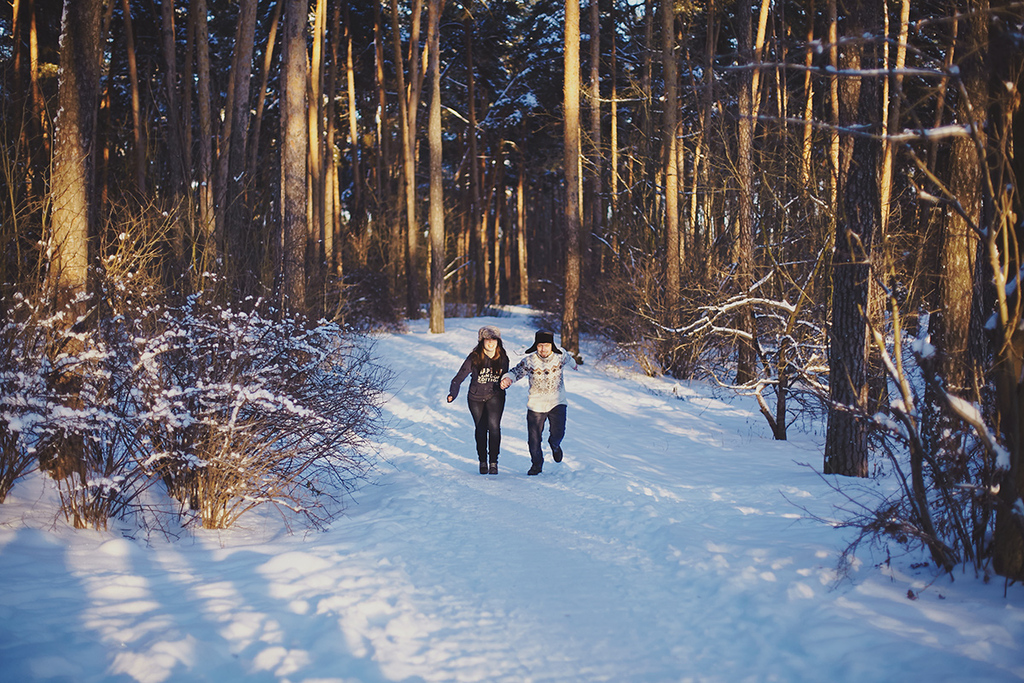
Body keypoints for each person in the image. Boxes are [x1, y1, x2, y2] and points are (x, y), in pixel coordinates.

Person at [499, 330, 578, 475]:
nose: (543, 349)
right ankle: (536, 464)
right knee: (533, 439)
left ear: (551, 345)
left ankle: (555, 445)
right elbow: (516, 372)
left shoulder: (560, 356)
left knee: (558, 433)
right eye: (540, 345)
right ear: (536, 346)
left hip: (557, 402)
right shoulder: (530, 361)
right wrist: (508, 378)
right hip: (536, 405)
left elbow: (570, 359)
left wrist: (574, 365)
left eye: (546, 345)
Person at [448, 326, 509, 475]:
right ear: (482, 341)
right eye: (487, 340)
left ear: (498, 341)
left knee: (494, 427)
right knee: (481, 429)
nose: (491, 343)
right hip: (475, 398)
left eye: (494, 340)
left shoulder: (503, 358)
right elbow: (459, 377)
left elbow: (507, 376)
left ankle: (493, 462)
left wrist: (505, 382)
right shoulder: (474, 357)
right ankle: (483, 461)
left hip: (495, 396)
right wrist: (452, 393)